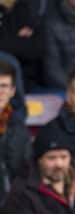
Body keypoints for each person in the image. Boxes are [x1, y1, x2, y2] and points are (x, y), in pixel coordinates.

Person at [0, 60, 31, 205]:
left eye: (4, 86)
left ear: (12, 91)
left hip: (14, 204)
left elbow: (26, 171)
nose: (0, 91)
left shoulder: (19, 128)